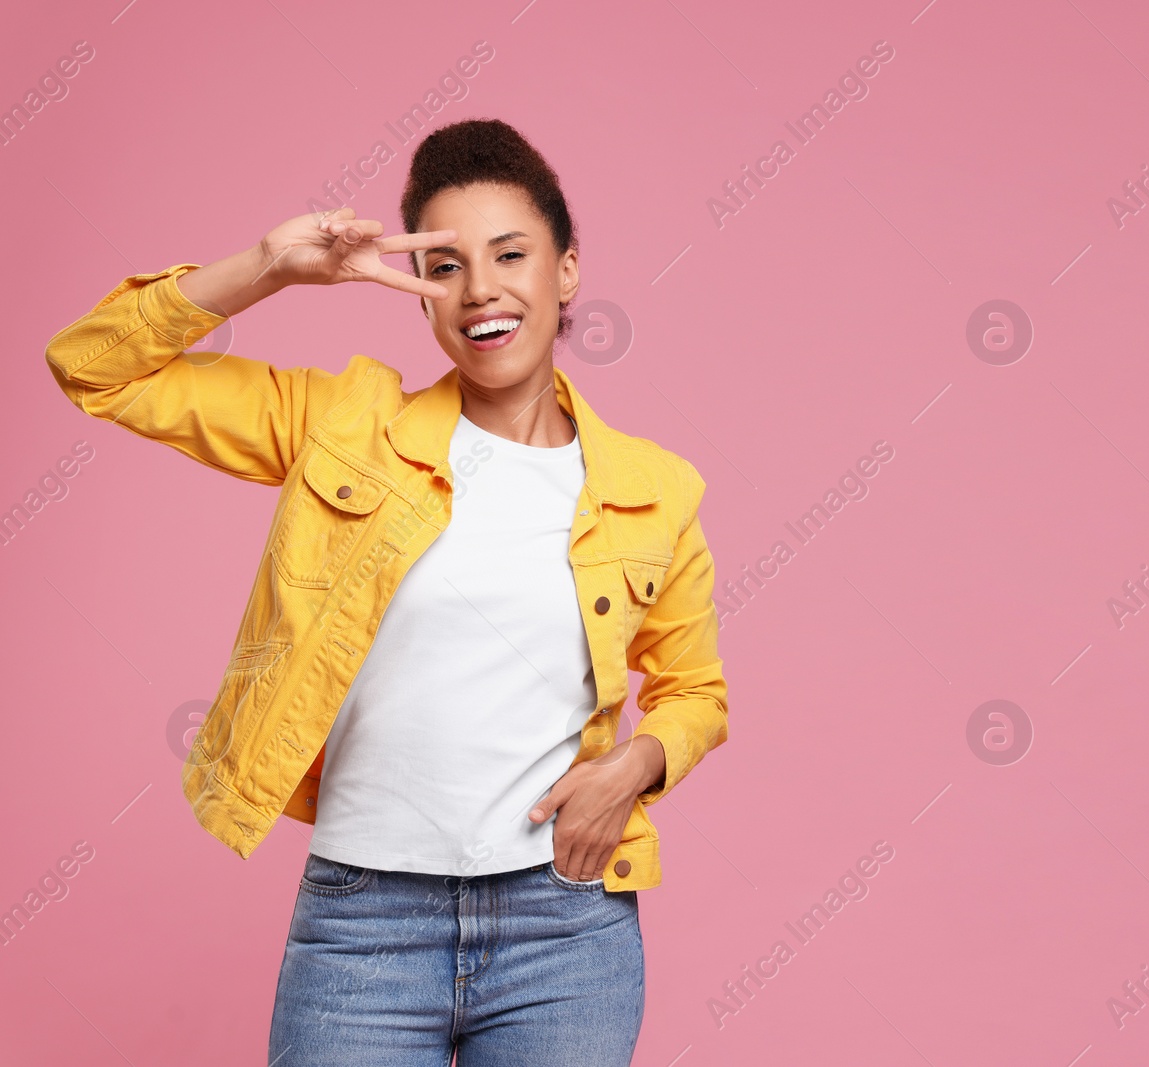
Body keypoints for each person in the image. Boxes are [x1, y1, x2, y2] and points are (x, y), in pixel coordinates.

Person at [42, 117, 729, 1065]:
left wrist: (636, 765)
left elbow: (697, 692)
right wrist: (270, 265)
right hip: (365, 925)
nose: (481, 288)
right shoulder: (340, 426)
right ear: (419, 295)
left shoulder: (656, 488)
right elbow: (92, 363)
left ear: (567, 270)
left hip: (566, 930)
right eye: (445, 266)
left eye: (511, 253)